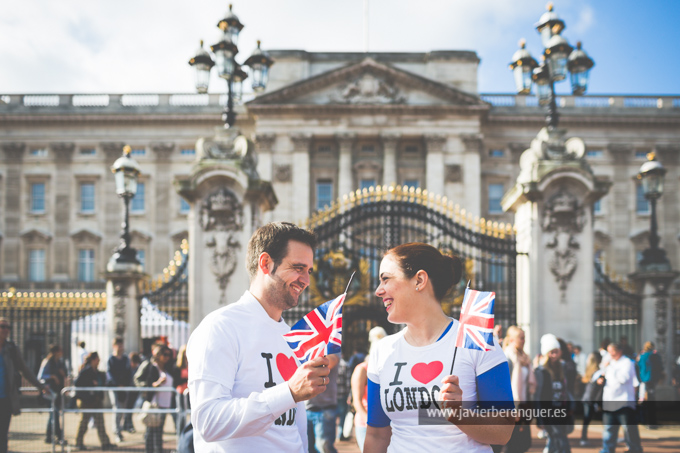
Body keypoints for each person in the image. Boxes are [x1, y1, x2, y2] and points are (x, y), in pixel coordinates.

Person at [187, 222, 331, 452]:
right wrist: (289, 392)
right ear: (265, 263)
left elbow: (295, 425)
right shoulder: (220, 327)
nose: (306, 280)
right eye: (297, 268)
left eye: (309, 271)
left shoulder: (291, 335)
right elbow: (208, 421)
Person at [364, 243, 514, 453]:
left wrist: (461, 416)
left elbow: (504, 431)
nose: (378, 291)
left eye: (385, 279)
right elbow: (377, 434)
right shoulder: (382, 350)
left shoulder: (475, 340)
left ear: (419, 280)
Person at [0, 317, 48, 453]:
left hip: (5, 398)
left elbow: (25, 370)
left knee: (2, 435)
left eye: (7, 327)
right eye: (2, 326)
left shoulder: (11, 349)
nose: (5, 330)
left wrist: (41, 386)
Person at [597, 342, 643, 453]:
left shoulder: (627, 362)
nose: (610, 354)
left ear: (619, 351)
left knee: (629, 429)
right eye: (609, 351)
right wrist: (600, 378)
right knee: (609, 430)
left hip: (624, 402)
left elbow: (623, 379)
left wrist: (610, 368)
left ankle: (635, 449)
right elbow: (602, 375)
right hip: (609, 401)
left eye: (612, 351)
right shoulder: (609, 363)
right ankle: (607, 450)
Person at [134, 343, 177, 453]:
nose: (167, 357)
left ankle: (158, 450)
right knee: (151, 430)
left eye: (168, 354)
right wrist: (156, 384)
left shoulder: (168, 367)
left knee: (159, 431)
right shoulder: (150, 366)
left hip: (165, 403)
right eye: (164, 354)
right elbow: (143, 382)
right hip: (154, 403)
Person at [351, 326, 386, 452]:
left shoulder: (388, 368)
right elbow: (357, 401)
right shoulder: (362, 369)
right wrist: (369, 421)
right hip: (366, 423)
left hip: (385, 423)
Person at [534, 334, 571, 453]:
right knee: (559, 439)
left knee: (557, 439)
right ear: (546, 353)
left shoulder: (563, 367)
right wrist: (540, 418)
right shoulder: (541, 371)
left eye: (556, 351)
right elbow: (538, 395)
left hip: (562, 409)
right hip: (549, 411)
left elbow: (567, 390)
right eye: (551, 352)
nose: (554, 355)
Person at [74, 352, 116, 451]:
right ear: (93, 360)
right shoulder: (85, 371)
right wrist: (90, 388)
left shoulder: (98, 372)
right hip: (86, 402)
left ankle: (105, 443)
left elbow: (103, 383)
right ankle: (78, 442)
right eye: (97, 359)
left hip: (96, 401)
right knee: (84, 423)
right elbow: (78, 385)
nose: (99, 361)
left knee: (100, 422)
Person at [503, 326, 535, 453]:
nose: (524, 340)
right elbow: (506, 386)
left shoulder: (525, 358)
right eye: (521, 338)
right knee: (512, 443)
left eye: (524, 338)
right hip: (513, 405)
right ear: (511, 340)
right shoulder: (508, 358)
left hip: (524, 404)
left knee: (524, 442)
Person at [306, 352, 340, 453]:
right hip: (305, 408)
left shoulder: (332, 349)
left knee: (324, 449)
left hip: (324, 409)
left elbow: (327, 363)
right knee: (306, 448)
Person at [38, 344, 67, 445]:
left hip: (58, 391)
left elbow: (65, 374)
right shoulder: (48, 362)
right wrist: (53, 376)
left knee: (53, 414)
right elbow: (40, 376)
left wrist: (62, 374)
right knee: (54, 414)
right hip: (50, 391)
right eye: (60, 350)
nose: (61, 352)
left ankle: (49, 436)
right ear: (55, 352)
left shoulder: (60, 362)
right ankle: (58, 436)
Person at [107, 337, 132, 443]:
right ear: (114, 346)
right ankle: (117, 431)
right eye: (119, 345)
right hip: (114, 388)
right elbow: (109, 374)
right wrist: (116, 384)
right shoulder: (111, 359)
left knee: (122, 410)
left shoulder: (126, 359)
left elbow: (128, 372)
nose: (121, 347)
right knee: (117, 409)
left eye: (121, 345)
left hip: (124, 387)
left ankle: (120, 428)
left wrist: (125, 384)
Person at [637, 341, 663, 429]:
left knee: (643, 400)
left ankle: (644, 420)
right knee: (650, 401)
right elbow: (659, 367)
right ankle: (651, 422)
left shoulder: (642, 356)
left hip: (643, 380)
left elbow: (638, 367)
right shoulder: (654, 355)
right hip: (651, 380)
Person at [580, 352, 603, 446]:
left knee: (586, 419)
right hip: (592, 399)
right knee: (588, 418)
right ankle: (583, 438)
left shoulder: (589, 371)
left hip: (587, 398)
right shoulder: (599, 373)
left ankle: (583, 438)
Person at [123, 352, 142, 433]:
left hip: (134, 391)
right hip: (127, 392)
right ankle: (127, 425)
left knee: (130, 409)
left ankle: (127, 425)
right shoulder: (127, 368)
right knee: (127, 409)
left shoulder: (138, 368)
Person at [335, 356, 350, 442]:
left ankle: (333, 435)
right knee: (342, 415)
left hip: (332, 395)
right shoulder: (345, 364)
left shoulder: (328, 363)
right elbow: (347, 382)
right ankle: (339, 435)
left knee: (333, 415)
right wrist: (348, 394)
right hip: (342, 394)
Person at [175, 345, 189, 433]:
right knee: (181, 415)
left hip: (190, 393)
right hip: (181, 393)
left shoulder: (191, 364)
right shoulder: (178, 366)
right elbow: (176, 381)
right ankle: (180, 433)